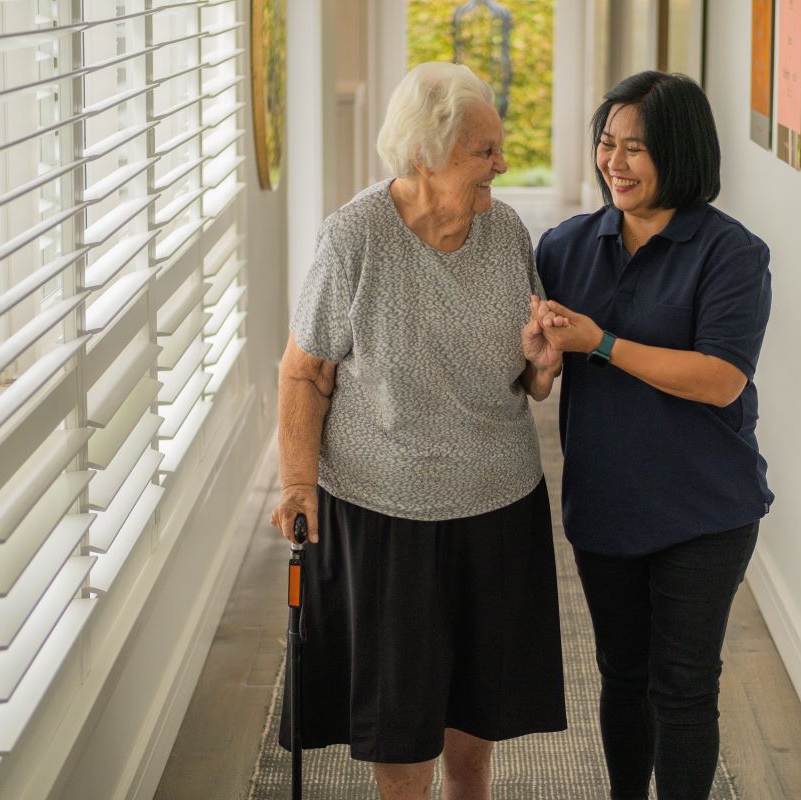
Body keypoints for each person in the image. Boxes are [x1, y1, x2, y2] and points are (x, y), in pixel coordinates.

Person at [269, 61, 567, 800]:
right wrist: (298, 482)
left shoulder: (504, 233)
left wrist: (539, 365)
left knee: (476, 726)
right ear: (424, 156)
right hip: (384, 516)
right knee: (402, 731)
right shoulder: (355, 238)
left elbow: (526, 378)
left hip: (498, 507)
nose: (501, 164)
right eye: (483, 151)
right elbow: (303, 370)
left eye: (499, 146)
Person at [534, 71, 773, 800]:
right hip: (606, 503)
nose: (616, 163)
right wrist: (539, 365)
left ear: (682, 152)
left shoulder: (732, 254)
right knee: (624, 676)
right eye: (607, 144)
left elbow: (720, 379)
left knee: (683, 687)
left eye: (637, 149)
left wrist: (602, 342)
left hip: (706, 510)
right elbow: (539, 375)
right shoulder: (563, 248)